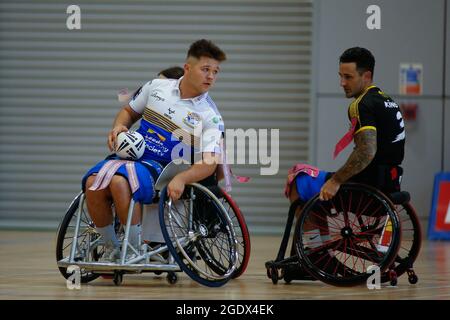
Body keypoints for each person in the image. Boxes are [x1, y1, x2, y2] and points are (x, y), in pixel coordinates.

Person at [82, 39, 227, 261]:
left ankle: (133, 250)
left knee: (120, 183)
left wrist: (182, 179)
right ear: (187, 68)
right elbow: (128, 112)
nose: (211, 77)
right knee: (92, 183)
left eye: (215, 72)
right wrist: (119, 127)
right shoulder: (156, 87)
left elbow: (210, 163)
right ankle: (111, 247)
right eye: (205, 69)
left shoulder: (210, 116)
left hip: (163, 168)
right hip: (131, 154)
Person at [286, 47, 405, 252]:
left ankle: (316, 252)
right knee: (316, 185)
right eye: (340, 76)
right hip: (389, 184)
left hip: (366, 188)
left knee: (298, 179)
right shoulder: (388, 101)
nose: (342, 83)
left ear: (366, 76)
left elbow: (366, 152)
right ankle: (319, 249)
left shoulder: (361, 104)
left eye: (348, 77)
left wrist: (336, 181)